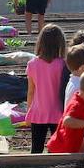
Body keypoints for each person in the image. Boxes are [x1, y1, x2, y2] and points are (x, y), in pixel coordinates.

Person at [25, 24, 68, 154]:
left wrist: (28, 112)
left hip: (38, 112)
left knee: (36, 148)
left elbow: (31, 91)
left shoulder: (32, 64)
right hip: (58, 112)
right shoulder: (63, 64)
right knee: (58, 148)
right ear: (60, 43)